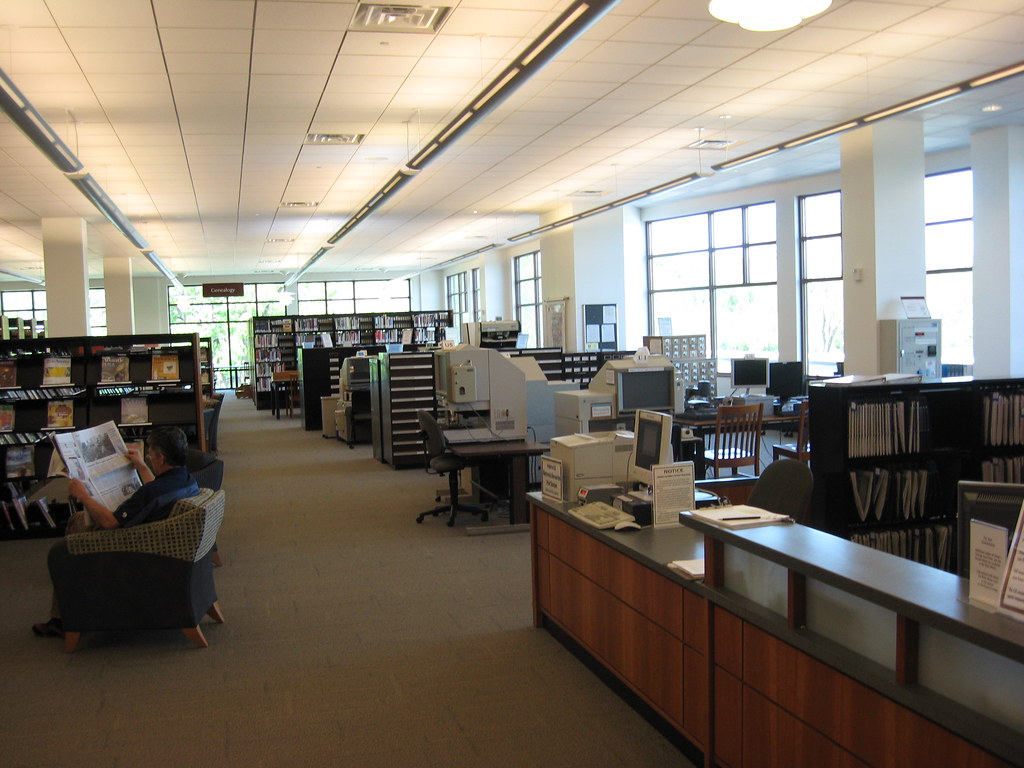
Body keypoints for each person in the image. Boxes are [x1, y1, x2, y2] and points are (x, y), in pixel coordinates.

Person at [32, 426, 200, 638]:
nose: (148, 456)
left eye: (150, 453)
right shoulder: (185, 479)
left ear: (161, 457)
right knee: (78, 523)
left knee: (70, 538)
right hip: (160, 542)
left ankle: (62, 615)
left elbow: (111, 523)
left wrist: (84, 496)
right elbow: (156, 490)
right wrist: (141, 466)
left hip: (132, 549)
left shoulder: (151, 492)